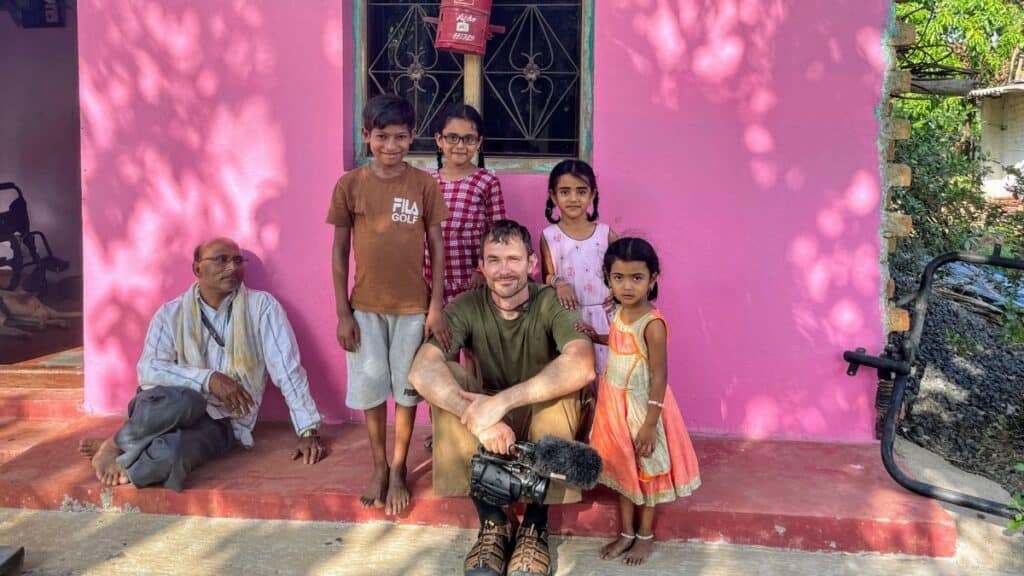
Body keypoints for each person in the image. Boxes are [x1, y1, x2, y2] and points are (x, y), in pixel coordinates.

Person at [408, 219, 596, 576]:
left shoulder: (551, 301)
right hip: (490, 422)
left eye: (513, 259)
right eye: (494, 260)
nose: (504, 270)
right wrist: (480, 416)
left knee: (562, 395)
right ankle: (493, 524)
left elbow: (583, 364)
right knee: (447, 385)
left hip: (535, 412)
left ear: (531, 263)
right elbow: (422, 369)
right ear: (481, 266)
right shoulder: (466, 305)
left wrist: (504, 402)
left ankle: (535, 527)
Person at [78, 237, 325, 492]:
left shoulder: (262, 307)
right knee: (187, 401)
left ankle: (127, 450)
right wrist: (209, 380)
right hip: (168, 406)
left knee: (174, 455)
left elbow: (287, 369)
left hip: (222, 421)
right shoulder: (170, 314)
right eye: (221, 260)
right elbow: (149, 369)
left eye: (238, 260)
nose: (232, 267)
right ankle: (115, 446)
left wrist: (308, 431)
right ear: (197, 269)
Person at [328, 93, 450, 516]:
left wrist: (436, 306)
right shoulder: (350, 185)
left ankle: (399, 467)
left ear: (413, 136)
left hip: (413, 309)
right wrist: (343, 312)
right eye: (382, 136)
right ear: (367, 136)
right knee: (371, 389)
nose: (391, 145)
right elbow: (340, 251)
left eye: (400, 137)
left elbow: (437, 246)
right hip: (365, 308)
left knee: (407, 392)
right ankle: (378, 466)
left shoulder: (423, 184)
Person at [578, 238, 701, 566]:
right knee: (623, 470)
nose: (627, 286)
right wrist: (596, 336)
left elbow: (659, 376)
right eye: (618, 278)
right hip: (614, 406)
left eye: (636, 278)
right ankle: (627, 532)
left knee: (647, 473)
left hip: (643, 410)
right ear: (608, 277)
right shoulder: (619, 311)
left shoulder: (653, 324)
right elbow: (620, 341)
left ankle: (644, 537)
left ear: (653, 279)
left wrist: (649, 424)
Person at [540, 159, 617, 439]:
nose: (573, 198)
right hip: (569, 319)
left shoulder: (606, 234)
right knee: (576, 384)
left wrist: (616, 295)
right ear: (553, 196)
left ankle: (608, 444)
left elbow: (623, 271)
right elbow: (545, 276)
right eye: (565, 191)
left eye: (581, 191)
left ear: (593, 194)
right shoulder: (549, 236)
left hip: (605, 321)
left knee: (608, 384)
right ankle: (579, 439)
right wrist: (558, 282)